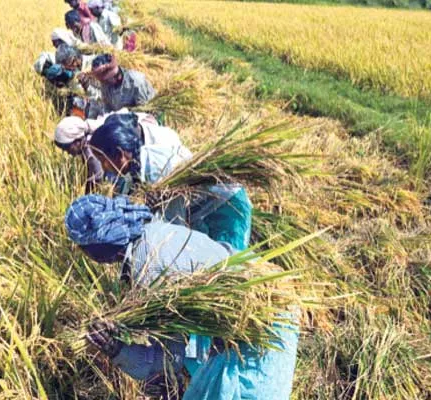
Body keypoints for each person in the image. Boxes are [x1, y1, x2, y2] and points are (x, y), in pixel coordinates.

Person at [64, 194, 299, 400]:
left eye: (81, 247)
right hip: (264, 300)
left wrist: (117, 350)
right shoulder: (152, 231)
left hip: (258, 327)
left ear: (96, 246)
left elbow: (167, 362)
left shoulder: (149, 268)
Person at [89, 112, 253, 252]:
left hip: (226, 205)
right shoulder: (137, 164)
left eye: (102, 160)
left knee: (228, 264)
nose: (104, 168)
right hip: (200, 207)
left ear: (120, 154)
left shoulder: (158, 172)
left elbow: (175, 227)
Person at [54, 116, 105, 193]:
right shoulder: (85, 140)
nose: (67, 152)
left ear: (78, 140)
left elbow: (96, 181)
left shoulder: (92, 152)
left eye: (67, 148)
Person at [91, 54, 156, 113]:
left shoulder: (136, 82)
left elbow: (144, 110)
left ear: (113, 77)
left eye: (106, 80)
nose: (104, 83)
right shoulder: (106, 85)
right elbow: (107, 107)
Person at [55, 44, 104, 118]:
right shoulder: (74, 75)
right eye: (66, 68)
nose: (70, 69)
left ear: (74, 58)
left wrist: (87, 85)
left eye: (70, 65)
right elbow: (78, 96)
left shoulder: (96, 62)